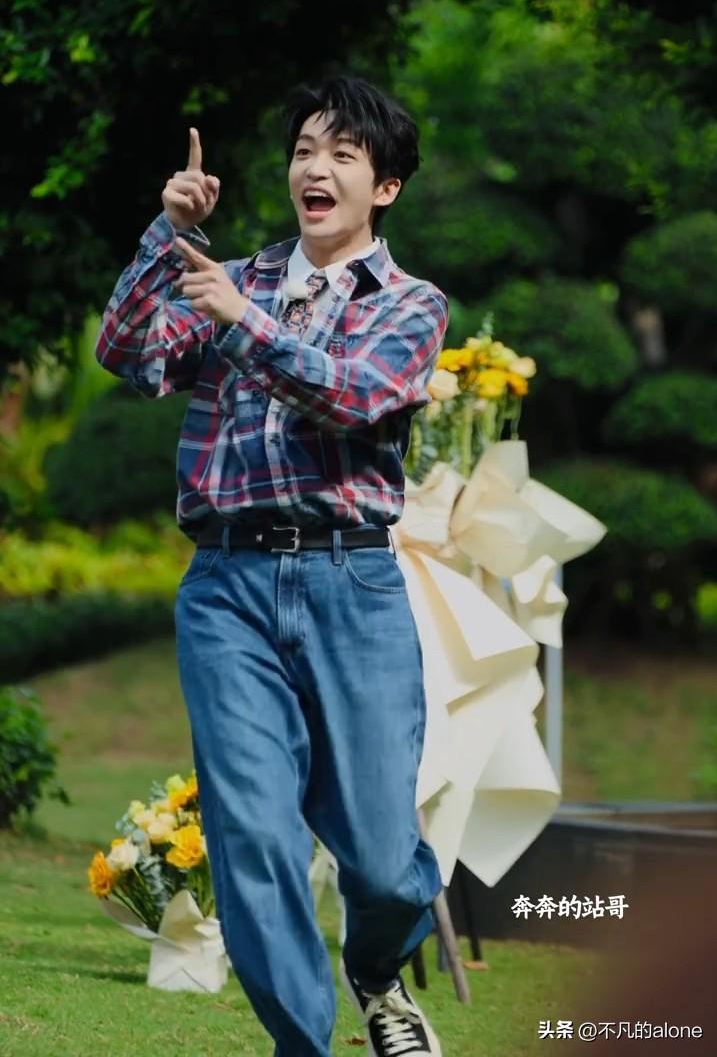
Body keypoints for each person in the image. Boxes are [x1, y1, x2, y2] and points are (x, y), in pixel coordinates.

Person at [96, 75, 449, 1057]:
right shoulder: (233, 277)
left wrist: (244, 321)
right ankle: (305, 1043)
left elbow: (358, 396)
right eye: (303, 150)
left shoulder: (412, 304)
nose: (314, 169)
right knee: (252, 836)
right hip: (228, 590)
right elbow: (127, 354)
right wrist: (167, 237)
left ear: (386, 187)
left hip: (353, 586)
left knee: (384, 862)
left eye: (342, 153)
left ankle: (378, 974)